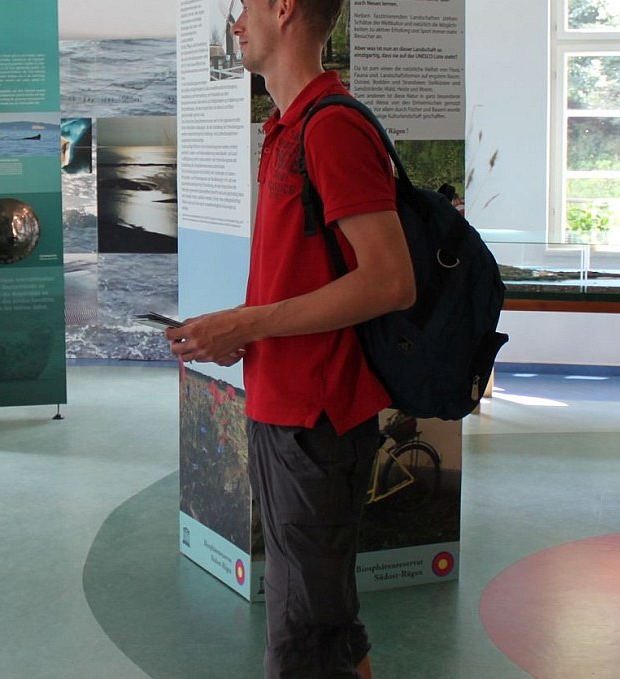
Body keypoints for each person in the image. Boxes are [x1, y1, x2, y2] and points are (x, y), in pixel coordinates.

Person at [165, 1, 414, 677]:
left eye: (244, 7)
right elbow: (301, 274)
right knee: (320, 626)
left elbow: (391, 280)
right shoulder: (286, 126)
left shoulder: (331, 128)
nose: (236, 22)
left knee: (306, 637)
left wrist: (248, 323)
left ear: (285, 8)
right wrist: (240, 331)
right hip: (286, 408)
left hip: (320, 418)